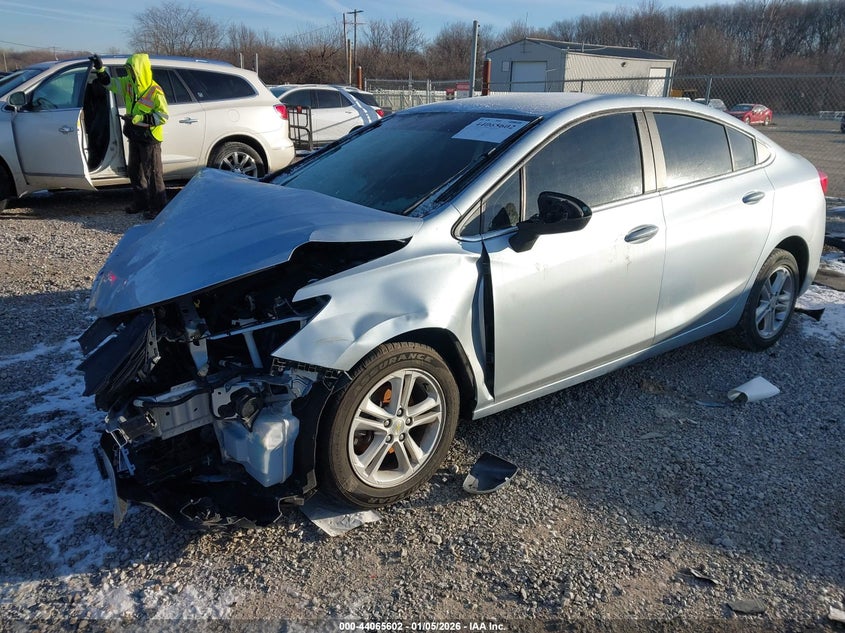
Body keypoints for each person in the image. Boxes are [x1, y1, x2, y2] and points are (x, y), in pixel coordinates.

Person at [90, 53, 169, 219]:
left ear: (140, 70)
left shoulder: (155, 91)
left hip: (150, 138)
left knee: (153, 174)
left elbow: (163, 116)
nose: (129, 73)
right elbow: (109, 83)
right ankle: (141, 203)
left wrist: (140, 118)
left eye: (132, 70)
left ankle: (158, 209)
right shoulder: (129, 84)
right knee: (135, 171)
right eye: (128, 69)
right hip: (135, 134)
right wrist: (100, 68)